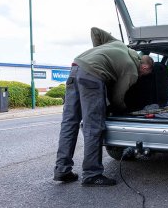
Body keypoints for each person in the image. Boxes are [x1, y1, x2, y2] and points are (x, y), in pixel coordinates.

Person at [53, 27, 154, 186]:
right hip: (92, 77)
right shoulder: (132, 69)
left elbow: (95, 32)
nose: (140, 77)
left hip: (75, 67)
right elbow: (117, 97)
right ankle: (92, 174)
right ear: (145, 67)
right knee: (93, 126)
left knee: (69, 122)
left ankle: (62, 170)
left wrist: (97, 55)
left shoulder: (118, 44)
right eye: (143, 75)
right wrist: (121, 111)